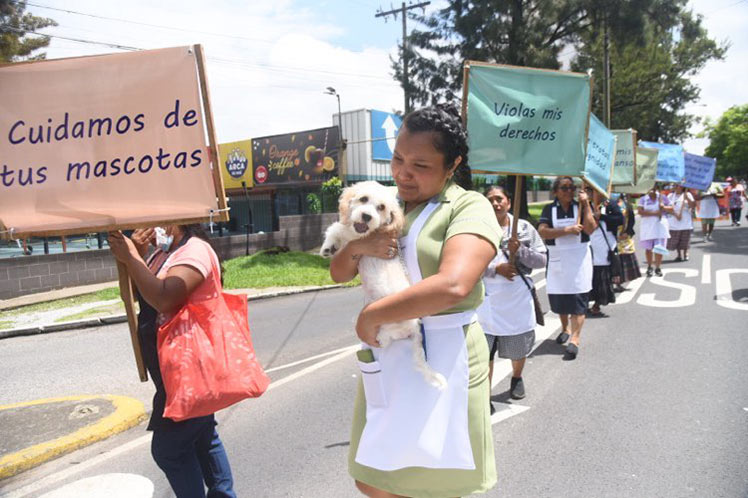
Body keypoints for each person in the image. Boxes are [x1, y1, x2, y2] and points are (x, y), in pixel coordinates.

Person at [330, 104, 501, 498]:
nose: (403, 173)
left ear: (452, 164)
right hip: (392, 352)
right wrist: (360, 246)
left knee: (436, 479)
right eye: (398, 159)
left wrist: (371, 315)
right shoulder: (386, 205)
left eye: (420, 166)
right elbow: (339, 273)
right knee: (375, 476)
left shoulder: (467, 206)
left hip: (447, 351)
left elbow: (454, 285)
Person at [108, 225, 237, 498]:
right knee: (203, 437)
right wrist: (136, 258)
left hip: (190, 371)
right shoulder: (164, 254)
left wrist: (132, 258)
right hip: (174, 371)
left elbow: (165, 298)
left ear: (175, 220)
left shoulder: (195, 250)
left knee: (169, 450)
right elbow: (137, 295)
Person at [476, 185, 546, 405]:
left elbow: (542, 260)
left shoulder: (524, 228)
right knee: (483, 353)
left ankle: (516, 377)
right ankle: (484, 396)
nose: (495, 203)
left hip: (516, 300)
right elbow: (467, 264)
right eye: (490, 200)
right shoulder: (477, 229)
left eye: (499, 199)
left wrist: (521, 251)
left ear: (508, 201)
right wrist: (496, 269)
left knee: (518, 349)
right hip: (486, 302)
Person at [537, 176, 596, 359]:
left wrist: (586, 204)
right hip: (558, 260)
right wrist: (566, 231)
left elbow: (591, 228)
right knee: (561, 299)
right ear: (556, 192)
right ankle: (565, 328)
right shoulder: (549, 209)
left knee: (578, 300)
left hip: (578, 260)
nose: (569, 191)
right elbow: (542, 231)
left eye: (572, 187)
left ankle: (575, 339)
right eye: (564, 188)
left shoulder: (581, 207)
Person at [587, 184, 623, 316]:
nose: (593, 194)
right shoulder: (584, 206)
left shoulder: (610, 205)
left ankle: (597, 304)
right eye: (590, 191)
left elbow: (620, 219)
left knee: (601, 277)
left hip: (605, 246)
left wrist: (601, 217)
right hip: (588, 245)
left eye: (595, 191)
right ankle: (584, 303)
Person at [637, 184, 672, 277]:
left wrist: (663, 207)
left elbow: (671, 208)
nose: (652, 191)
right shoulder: (643, 199)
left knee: (659, 248)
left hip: (660, 226)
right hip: (648, 227)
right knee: (649, 249)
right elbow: (640, 211)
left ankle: (658, 267)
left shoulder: (662, 197)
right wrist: (655, 213)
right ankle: (649, 267)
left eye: (653, 188)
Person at [614, 193, 641, 291]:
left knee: (625, 259)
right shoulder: (607, 205)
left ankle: (621, 282)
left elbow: (632, 221)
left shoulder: (626, 205)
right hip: (613, 236)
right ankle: (615, 282)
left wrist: (628, 232)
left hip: (625, 237)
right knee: (615, 260)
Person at [667, 184, 696, 261]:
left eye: (678, 186)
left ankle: (686, 253)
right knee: (676, 239)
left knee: (685, 239)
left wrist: (687, 198)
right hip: (674, 221)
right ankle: (679, 255)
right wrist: (675, 214)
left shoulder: (687, 194)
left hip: (685, 221)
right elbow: (666, 207)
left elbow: (693, 205)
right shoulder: (670, 196)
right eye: (675, 186)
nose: (676, 187)